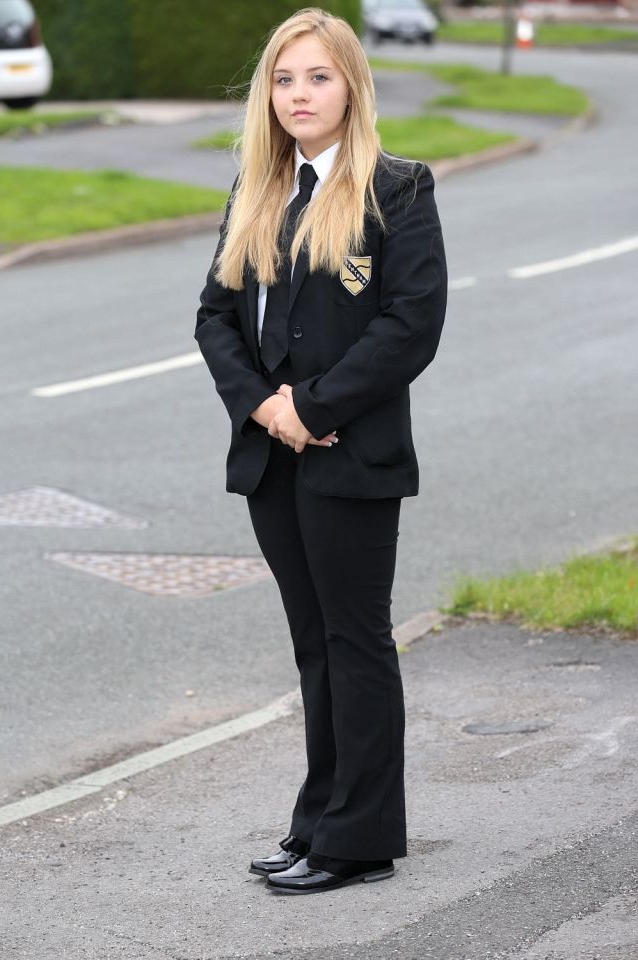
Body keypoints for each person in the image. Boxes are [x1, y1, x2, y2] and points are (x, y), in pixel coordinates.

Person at [195, 6, 447, 895]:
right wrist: (267, 409)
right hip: (274, 456)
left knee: (356, 640)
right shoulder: (257, 187)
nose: (299, 94)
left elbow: (411, 325)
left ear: (352, 86)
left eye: (318, 77)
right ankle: (318, 822)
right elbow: (215, 316)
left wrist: (313, 406)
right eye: (284, 77)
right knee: (314, 646)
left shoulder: (399, 189)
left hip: (352, 456)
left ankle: (363, 839)